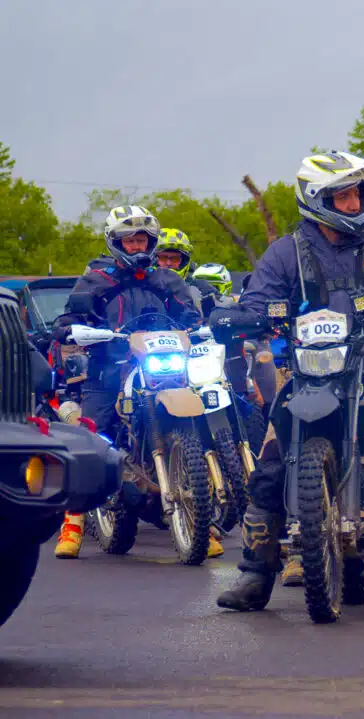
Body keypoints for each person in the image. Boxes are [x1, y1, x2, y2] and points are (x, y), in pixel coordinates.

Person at [215, 150, 364, 613]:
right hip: (304, 374)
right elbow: (258, 299)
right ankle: (255, 574)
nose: (355, 203)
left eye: (357, 193)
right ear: (317, 199)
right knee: (270, 468)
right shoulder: (286, 252)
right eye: (343, 196)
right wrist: (241, 316)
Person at [51, 206, 202, 559]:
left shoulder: (167, 280)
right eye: (130, 240)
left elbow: (191, 316)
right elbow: (68, 319)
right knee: (90, 435)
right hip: (110, 366)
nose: (137, 246)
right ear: (116, 243)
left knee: (193, 426)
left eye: (142, 240)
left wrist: (199, 325)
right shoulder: (97, 280)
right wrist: (74, 329)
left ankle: (201, 520)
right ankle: (73, 522)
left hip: (161, 367)